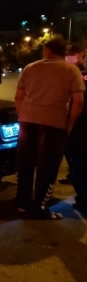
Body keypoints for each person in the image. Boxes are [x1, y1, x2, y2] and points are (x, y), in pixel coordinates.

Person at [15, 38, 84, 220]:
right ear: (64, 52)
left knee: (25, 163)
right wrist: (69, 124)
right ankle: (40, 206)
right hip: (55, 122)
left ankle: (22, 203)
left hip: (28, 121)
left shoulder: (30, 67)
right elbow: (78, 101)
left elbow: (19, 96)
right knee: (48, 167)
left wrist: (23, 116)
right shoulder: (71, 70)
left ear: (47, 50)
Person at [61, 43, 86, 185]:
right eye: (67, 53)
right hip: (66, 115)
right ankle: (72, 173)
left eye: (72, 54)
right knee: (68, 149)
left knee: (78, 152)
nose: (69, 56)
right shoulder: (66, 70)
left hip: (81, 119)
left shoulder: (83, 73)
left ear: (81, 54)